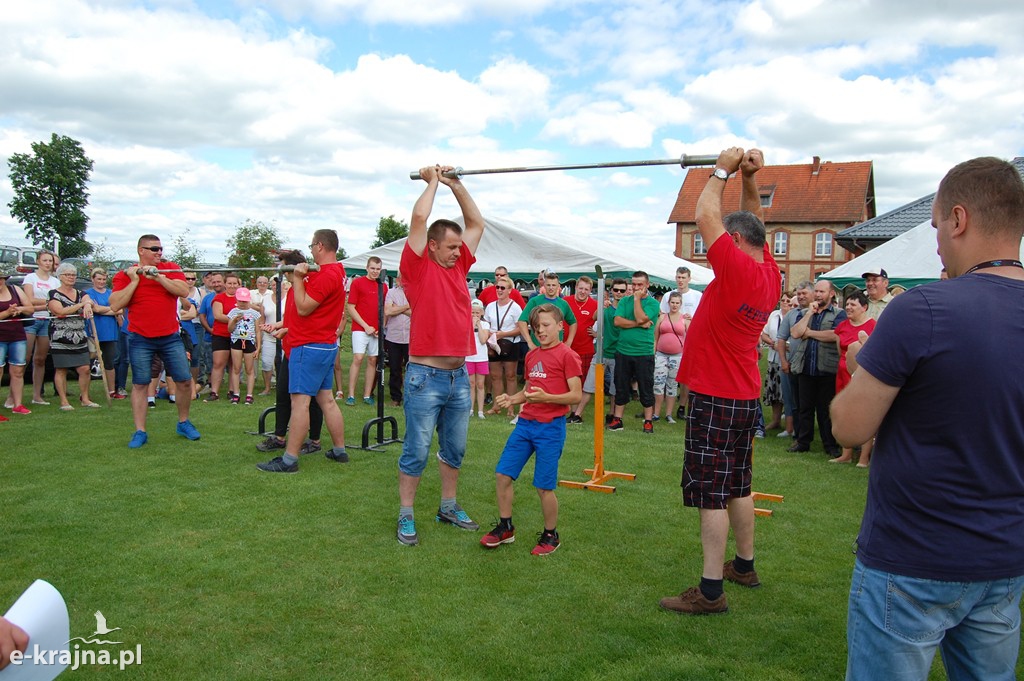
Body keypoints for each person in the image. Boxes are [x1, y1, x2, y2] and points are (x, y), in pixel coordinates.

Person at [831, 156, 1024, 681]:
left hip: (912, 558)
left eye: (937, 225)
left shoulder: (923, 308)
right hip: (1004, 559)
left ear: (958, 219)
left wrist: (857, 365)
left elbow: (848, 428)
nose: (937, 241)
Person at [659, 147, 781, 615]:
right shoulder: (769, 271)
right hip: (743, 396)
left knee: (712, 491)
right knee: (738, 486)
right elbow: (755, 222)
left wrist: (721, 170)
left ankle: (711, 591)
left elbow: (704, 212)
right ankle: (744, 565)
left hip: (715, 396)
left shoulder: (733, 267)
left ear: (732, 240)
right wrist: (750, 177)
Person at [396, 164, 486, 546]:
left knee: (455, 449)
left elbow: (476, 222)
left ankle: (448, 506)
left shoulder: (459, 266)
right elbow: (420, 216)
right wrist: (432, 180)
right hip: (424, 376)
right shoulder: (416, 268)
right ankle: (406, 515)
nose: (457, 252)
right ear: (432, 245)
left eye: (457, 247)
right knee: (416, 450)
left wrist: (455, 183)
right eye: (450, 246)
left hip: (457, 377)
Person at [480, 304, 582, 555]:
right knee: (503, 475)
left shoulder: (567, 355)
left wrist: (547, 397)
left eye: (546, 326)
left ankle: (551, 535)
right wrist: (511, 399)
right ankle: (505, 527)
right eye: (537, 327)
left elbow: (575, 396)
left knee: (544, 486)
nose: (541, 331)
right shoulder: (532, 355)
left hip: (550, 428)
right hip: (525, 425)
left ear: (560, 326)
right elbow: (530, 391)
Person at [256, 231, 348, 473]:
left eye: (312, 245)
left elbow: (305, 308)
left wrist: (297, 278)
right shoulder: (334, 272)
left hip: (308, 347)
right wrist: (286, 325)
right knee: (326, 400)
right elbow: (309, 314)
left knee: (300, 404)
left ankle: (289, 460)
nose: (311, 250)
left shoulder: (328, 274)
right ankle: (339, 451)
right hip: (321, 344)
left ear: (319, 246)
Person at [110, 234, 201, 448]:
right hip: (140, 338)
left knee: (184, 381)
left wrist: (159, 277)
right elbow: (115, 305)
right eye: (153, 249)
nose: (159, 252)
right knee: (141, 384)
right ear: (141, 250)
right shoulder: (126, 275)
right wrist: (135, 280)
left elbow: (182, 291)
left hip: (170, 337)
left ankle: (183, 422)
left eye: (160, 248)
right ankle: (140, 431)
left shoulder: (169, 268)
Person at [256, 251, 326, 456]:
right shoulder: (294, 289)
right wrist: (279, 327)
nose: (282, 272)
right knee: (283, 393)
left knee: (311, 399)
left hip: (306, 349)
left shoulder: (307, 287)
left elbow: (309, 320)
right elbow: (293, 319)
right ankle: (279, 437)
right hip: (291, 348)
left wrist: (286, 330)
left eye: (284, 267)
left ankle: (314, 440)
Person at [788, 279, 846, 456]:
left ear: (831, 294)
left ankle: (830, 444)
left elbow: (834, 335)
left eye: (822, 292)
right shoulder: (805, 312)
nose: (819, 295)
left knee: (825, 410)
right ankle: (803, 442)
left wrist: (810, 333)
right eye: (817, 292)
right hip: (806, 366)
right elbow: (796, 333)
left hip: (827, 368)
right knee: (805, 408)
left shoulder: (838, 314)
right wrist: (808, 315)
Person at [568, 277, 627, 424]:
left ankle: (612, 415)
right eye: (616, 290)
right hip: (601, 352)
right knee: (588, 385)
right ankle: (577, 415)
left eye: (622, 290)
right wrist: (601, 308)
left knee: (614, 388)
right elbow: (593, 318)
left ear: (625, 292)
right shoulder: (605, 308)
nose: (619, 293)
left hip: (618, 353)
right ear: (611, 291)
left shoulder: (627, 309)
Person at [607, 271, 660, 434]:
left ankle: (648, 421)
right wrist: (638, 323)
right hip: (623, 350)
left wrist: (637, 299)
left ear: (647, 285)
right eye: (634, 284)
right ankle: (617, 420)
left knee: (646, 387)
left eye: (640, 284)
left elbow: (641, 317)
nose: (636, 288)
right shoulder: (624, 301)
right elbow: (617, 321)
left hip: (643, 352)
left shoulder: (653, 303)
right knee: (621, 386)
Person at [829, 290, 876, 466]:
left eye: (853, 305)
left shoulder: (873, 326)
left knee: (864, 414)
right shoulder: (842, 326)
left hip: (861, 375)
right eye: (847, 304)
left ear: (864, 307)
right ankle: (846, 454)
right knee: (844, 412)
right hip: (842, 374)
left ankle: (864, 457)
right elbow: (840, 350)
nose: (848, 307)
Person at [47, 262, 99, 410]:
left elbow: (89, 301)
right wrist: (81, 306)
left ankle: (85, 398)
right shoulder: (53, 294)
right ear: (60, 276)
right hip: (60, 336)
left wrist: (87, 304)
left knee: (85, 369)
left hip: (79, 336)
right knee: (61, 369)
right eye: (67, 275)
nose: (71, 277)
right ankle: (64, 401)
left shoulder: (81, 293)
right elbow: (60, 311)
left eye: (73, 275)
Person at [346, 256, 388, 406]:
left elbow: (384, 308)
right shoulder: (358, 283)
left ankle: (367, 394)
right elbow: (351, 307)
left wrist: (381, 327)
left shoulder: (383, 286)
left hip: (376, 330)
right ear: (367, 268)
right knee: (358, 358)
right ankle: (350, 394)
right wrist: (365, 326)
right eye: (373, 268)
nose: (375, 271)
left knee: (372, 360)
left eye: (378, 269)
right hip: (360, 328)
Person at [483, 275, 523, 419]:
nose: (499, 290)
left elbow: (521, 329)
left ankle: (511, 407)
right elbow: (485, 325)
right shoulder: (490, 306)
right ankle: (496, 405)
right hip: (494, 343)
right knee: (495, 376)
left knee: (510, 376)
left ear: (510, 290)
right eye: (497, 287)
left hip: (511, 343)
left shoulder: (515, 307)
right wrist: (491, 334)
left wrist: (503, 334)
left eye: (502, 288)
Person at [776, 283, 812, 439]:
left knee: (809, 402)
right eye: (799, 293)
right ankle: (798, 433)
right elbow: (781, 339)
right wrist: (783, 360)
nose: (802, 296)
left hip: (813, 365)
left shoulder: (818, 313)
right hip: (792, 365)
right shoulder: (791, 315)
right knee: (794, 401)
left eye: (804, 293)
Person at [22, 250, 57, 405]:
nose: (48, 263)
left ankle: (37, 395)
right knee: (25, 358)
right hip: (32, 320)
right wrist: (48, 304)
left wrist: (46, 305)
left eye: (50, 260)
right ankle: (14, 395)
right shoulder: (30, 278)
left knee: (40, 359)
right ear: (38, 261)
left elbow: (57, 301)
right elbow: (28, 300)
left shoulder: (55, 281)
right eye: (45, 260)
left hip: (47, 320)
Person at [0, 264, 34, 415]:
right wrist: (7, 312)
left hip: (17, 335)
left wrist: (20, 309)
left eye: (2, 279)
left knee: (18, 370)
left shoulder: (15, 289)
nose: (0, 282)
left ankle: (17, 404)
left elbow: (30, 308)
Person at [83, 268, 120, 401]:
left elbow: (119, 309)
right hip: (94, 331)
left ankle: (111, 391)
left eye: (104, 279)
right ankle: (85, 393)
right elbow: (95, 309)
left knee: (110, 362)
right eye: (99, 279)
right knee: (89, 362)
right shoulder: (88, 293)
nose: (101, 282)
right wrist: (111, 310)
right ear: (93, 279)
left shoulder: (111, 293)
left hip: (110, 332)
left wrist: (108, 310)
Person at [518, 271, 577, 354]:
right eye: (548, 285)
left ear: (558, 287)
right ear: (544, 285)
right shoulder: (534, 301)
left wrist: (569, 342)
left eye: (553, 285)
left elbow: (573, 322)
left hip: (557, 350)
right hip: (537, 349)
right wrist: (530, 343)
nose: (551, 287)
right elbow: (521, 321)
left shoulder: (563, 303)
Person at [563, 275, 597, 415]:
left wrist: (597, 334)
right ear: (576, 287)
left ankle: (575, 412)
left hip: (585, 349)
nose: (583, 291)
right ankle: (567, 409)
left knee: (581, 382)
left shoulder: (595, 305)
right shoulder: (565, 301)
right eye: (581, 288)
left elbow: (605, 322)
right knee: (565, 380)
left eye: (586, 289)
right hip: (566, 348)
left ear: (590, 291)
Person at [652, 291, 688, 423]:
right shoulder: (662, 318)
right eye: (672, 302)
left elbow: (689, 339)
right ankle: (655, 413)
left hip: (677, 356)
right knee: (658, 384)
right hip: (661, 355)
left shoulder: (685, 319)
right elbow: (656, 337)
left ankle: (668, 414)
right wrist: (654, 352)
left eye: (677, 303)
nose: (674, 305)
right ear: (668, 303)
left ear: (680, 304)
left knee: (672, 385)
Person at [760, 292, 791, 431]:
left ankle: (790, 424)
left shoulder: (795, 316)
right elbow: (764, 333)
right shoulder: (774, 315)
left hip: (788, 358)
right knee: (774, 392)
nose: (785, 303)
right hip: (773, 358)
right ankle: (776, 420)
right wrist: (772, 343)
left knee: (787, 392)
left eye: (788, 301)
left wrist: (783, 346)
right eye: (783, 300)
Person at [227, 286, 262, 406]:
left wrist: (258, 347)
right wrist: (234, 320)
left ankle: (249, 395)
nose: (242, 303)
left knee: (249, 369)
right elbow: (230, 329)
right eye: (240, 300)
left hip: (249, 341)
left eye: (244, 301)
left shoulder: (254, 313)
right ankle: (236, 393)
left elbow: (258, 331)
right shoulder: (233, 312)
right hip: (237, 340)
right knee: (236, 368)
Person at [208, 273, 240, 402]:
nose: (232, 286)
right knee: (218, 363)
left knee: (235, 364)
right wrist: (236, 319)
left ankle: (232, 391)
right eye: (230, 283)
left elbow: (251, 310)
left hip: (237, 335)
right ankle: (214, 392)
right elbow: (218, 315)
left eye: (235, 283)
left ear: (239, 285)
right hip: (221, 335)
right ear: (225, 284)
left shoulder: (242, 298)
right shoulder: (219, 298)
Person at [383, 271, 411, 407]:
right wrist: (407, 307)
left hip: (411, 337)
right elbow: (388, 311)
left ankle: (410, 396)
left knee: (411, 368)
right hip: (393, 336)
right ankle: (396, 397)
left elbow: (416, 312)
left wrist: (397, 308)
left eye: (404, 277)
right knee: (394, 368)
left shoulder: (414, 291)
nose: (401, 280)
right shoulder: (391, 292)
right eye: (400, 277)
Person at [251, 275, 276, 395]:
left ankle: (282, 386)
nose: (275, 286)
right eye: (274, 284)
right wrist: (262, 329)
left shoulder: (287, 297)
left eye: (278, 284)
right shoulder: (266, 299)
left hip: (285, 334)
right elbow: (262, 318)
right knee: (266, 362)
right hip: (268, 334)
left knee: (283, 362)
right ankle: (267, 388)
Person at [466, 299, 490, 418]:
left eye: (477, 313)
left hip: (481, 358)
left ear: (482, 313)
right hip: (468, 358)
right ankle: (470, 409)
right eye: (472, 312)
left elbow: (483, 339)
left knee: (480, 384)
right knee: (471, 383)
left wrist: (478, 324)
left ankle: (480, 410)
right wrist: (471, 324)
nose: (475, 315)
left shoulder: (485, 324)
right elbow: (466, 338)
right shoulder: (465, 323)